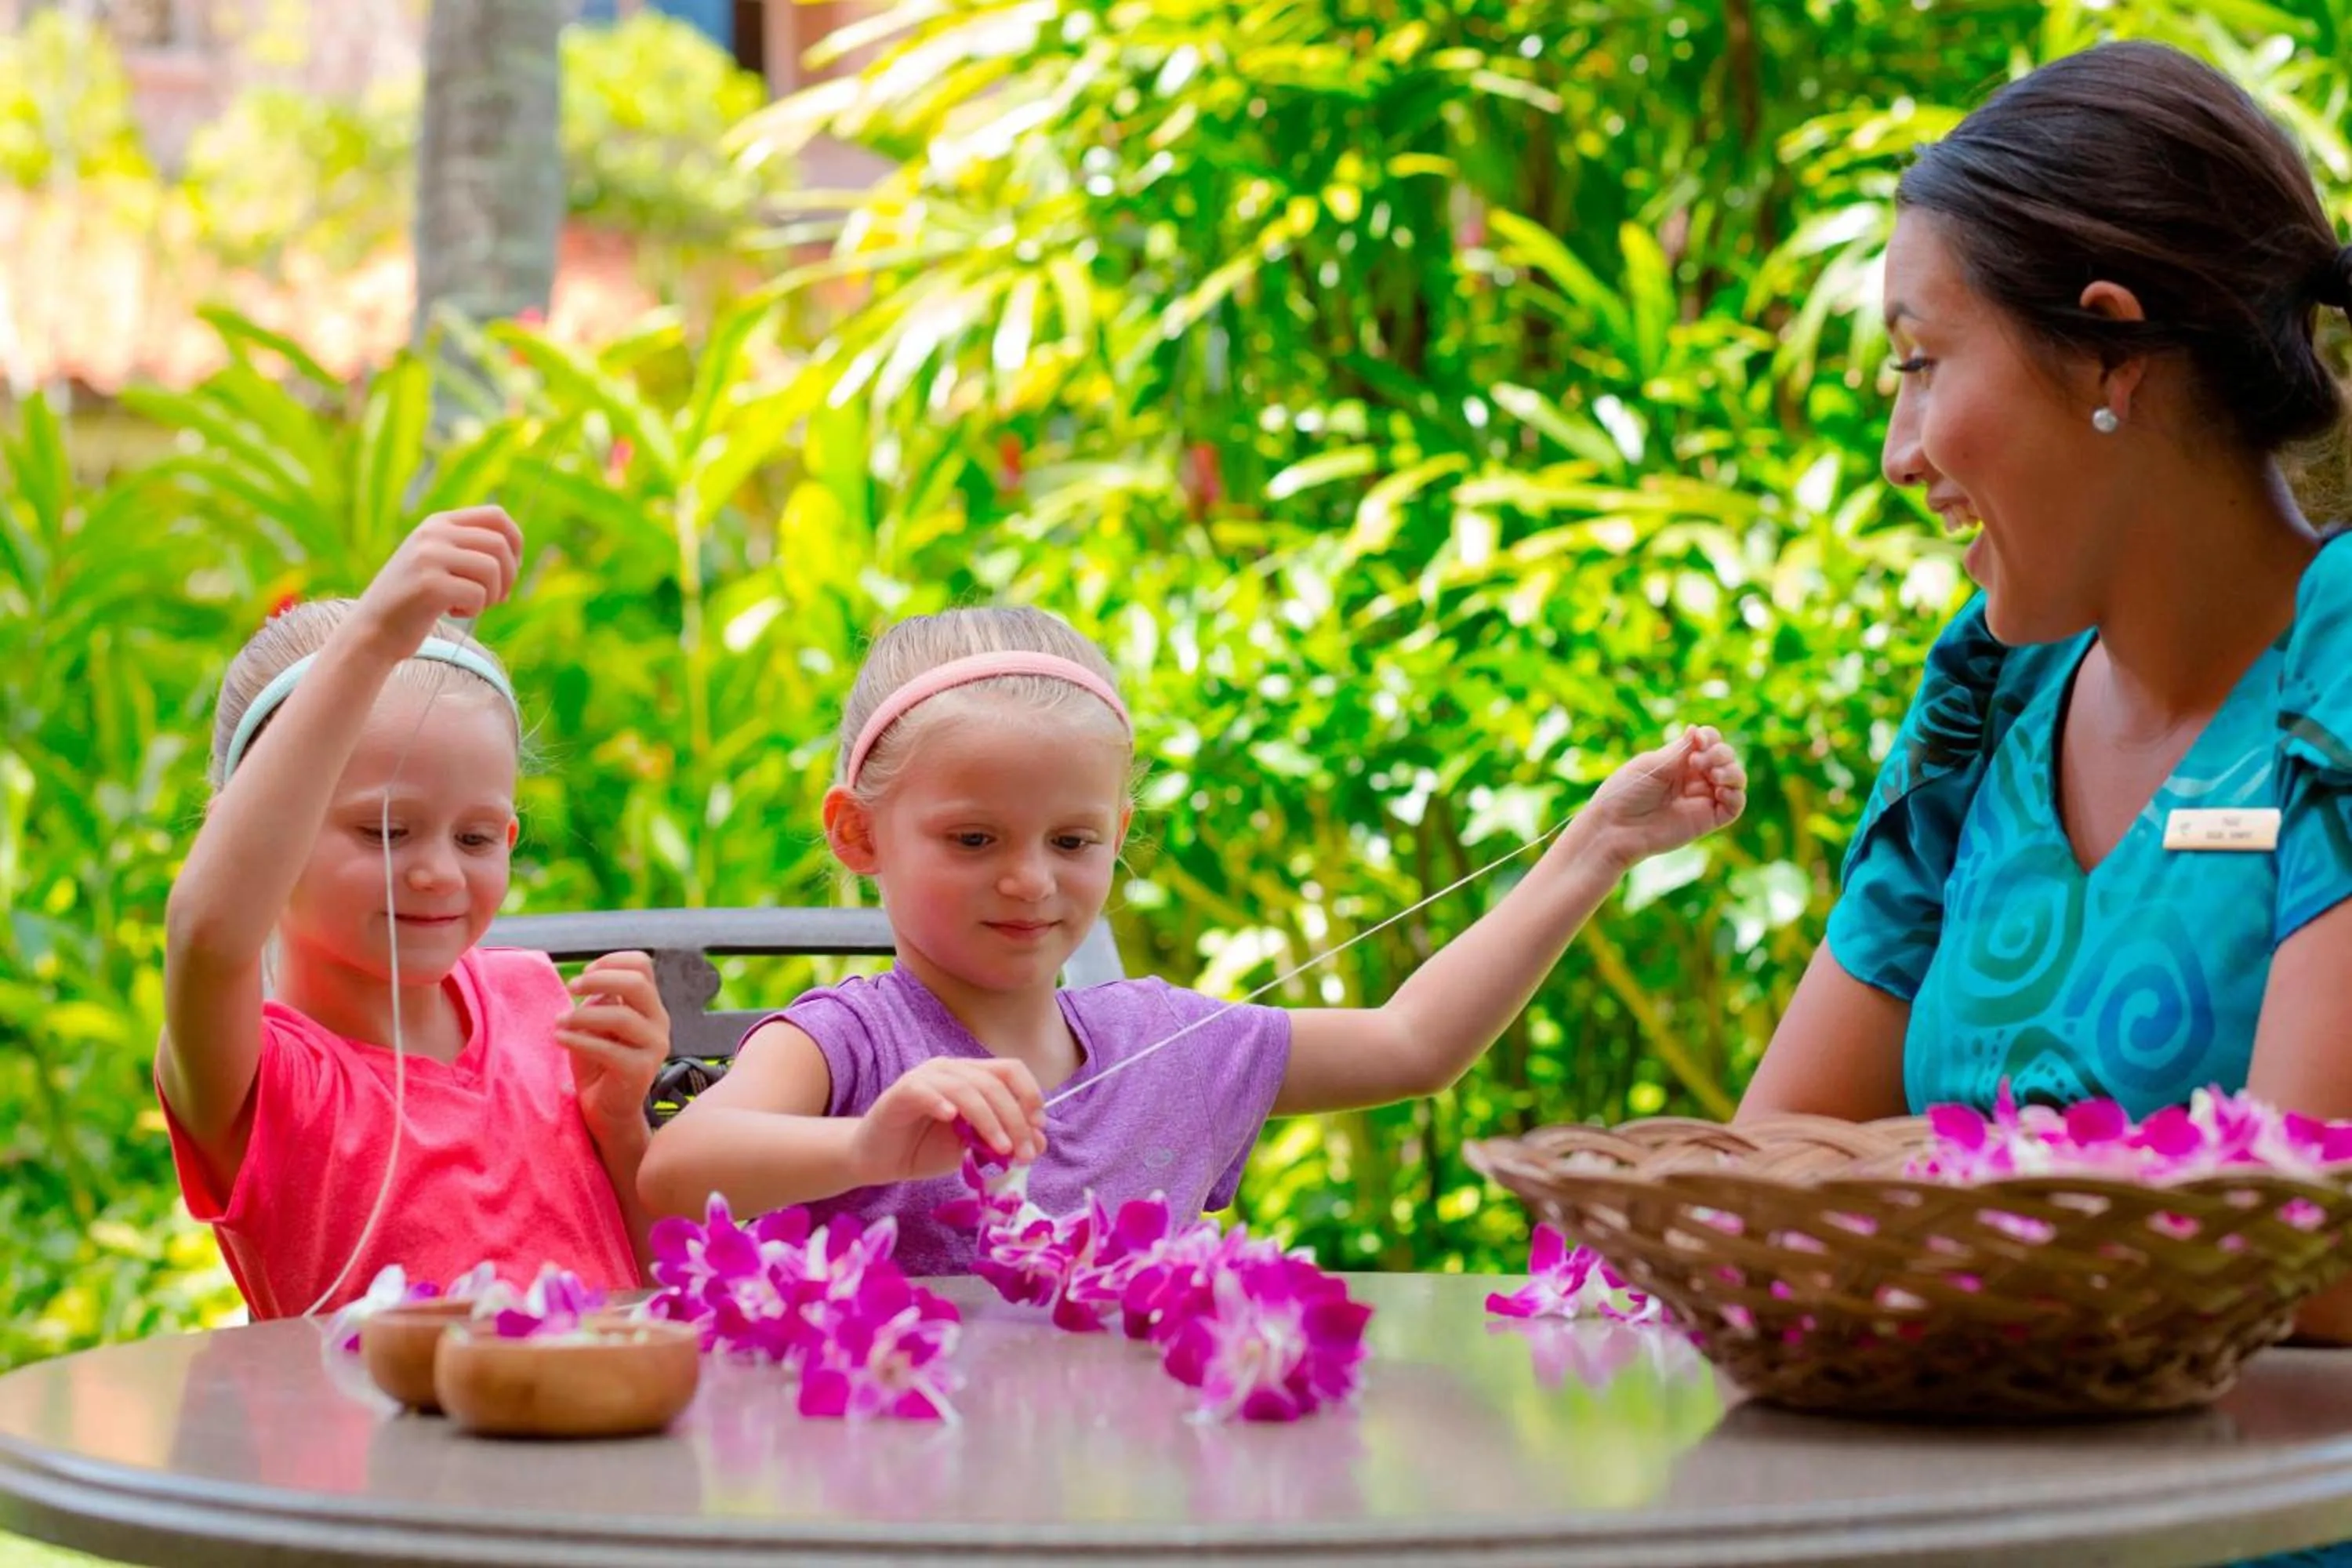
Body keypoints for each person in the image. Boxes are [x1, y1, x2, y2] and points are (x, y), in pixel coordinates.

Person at [1739, 41, 2352, 1346]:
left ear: (2105, 356)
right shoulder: (1986, 693)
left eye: (1921, 363)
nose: (1901, 456)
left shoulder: (2341, 657)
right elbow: (1762, 1183)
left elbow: (2302, 1251)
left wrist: (1906, 1219)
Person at [637, 605, 1748, 1270]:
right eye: (973, 838)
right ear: (859, 833)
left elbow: (1415, 1045)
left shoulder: (1162, 1044)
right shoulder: (854, 1044)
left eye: (1072, 841)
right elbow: (677, 1169)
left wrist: (1595, 847)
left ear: (1118, 837)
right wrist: (868, 1150)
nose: (1030, 881)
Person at [158, 507, 668, 1317]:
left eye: (474, 836)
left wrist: (619, 1129)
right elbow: (206, 935)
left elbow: (658, 1280)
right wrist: (372, 638)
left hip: (593, 1432)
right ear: (259, 832)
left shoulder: (535, 999)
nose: (436, 872)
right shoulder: (265, 1079)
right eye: (383, 830)